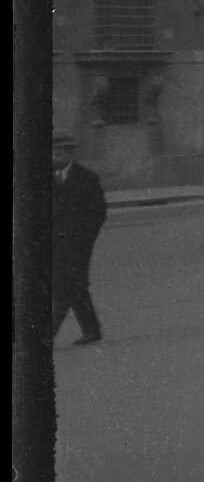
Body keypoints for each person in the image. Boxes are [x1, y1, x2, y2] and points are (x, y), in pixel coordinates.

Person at [51, 131, 107, 346]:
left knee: (63, 287)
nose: (56, 157)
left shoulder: (87, 178)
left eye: (60, 152)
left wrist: (86, 239)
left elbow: (98, 213)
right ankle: (92, 330)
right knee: (75, 286)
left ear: (69, 154)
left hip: (78, 244)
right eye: (53, 152)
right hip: (53, 243)